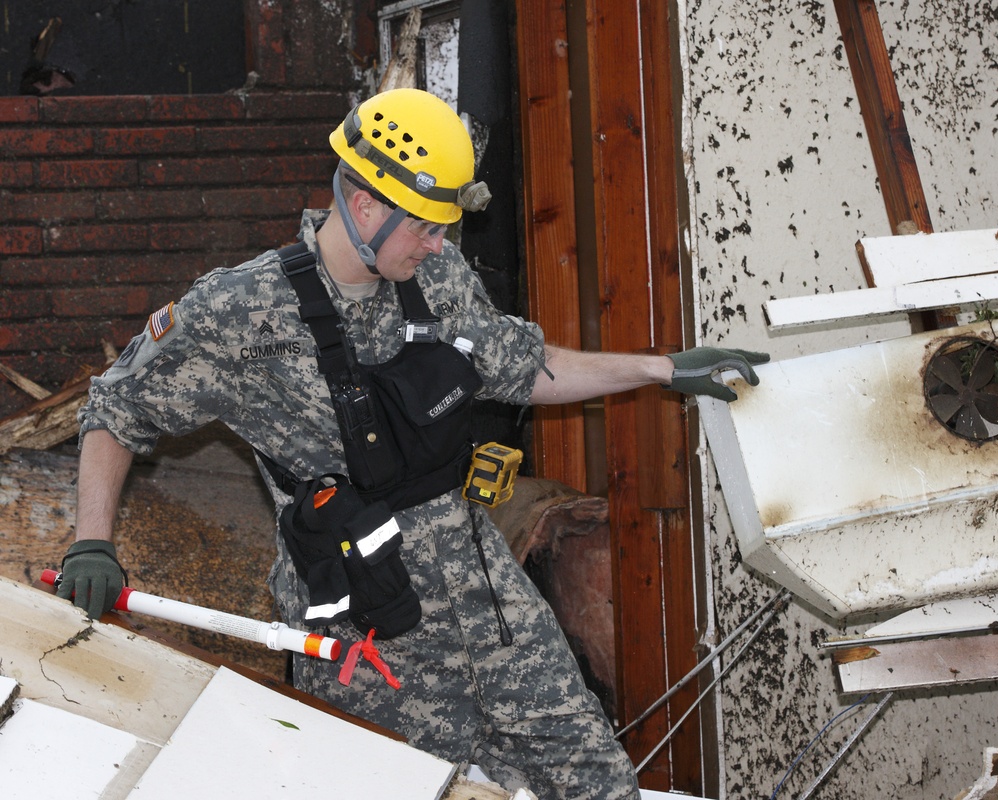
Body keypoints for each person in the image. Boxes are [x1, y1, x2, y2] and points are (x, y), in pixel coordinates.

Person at [57, 88, 767, 800]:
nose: (438, 245)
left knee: (596, 783)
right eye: (425, 228)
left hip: (490, 606)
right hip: (369, 639)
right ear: (364, 203)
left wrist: (661, 368)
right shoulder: (239, 312)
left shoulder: (436, 276)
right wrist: (93, 541)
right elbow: (115, 406)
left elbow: (525, 368)